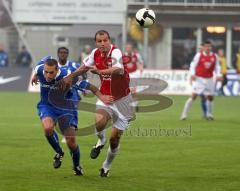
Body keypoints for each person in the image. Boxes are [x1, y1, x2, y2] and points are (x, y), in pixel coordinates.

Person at [59, 30, 135, 177]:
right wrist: (71, 76)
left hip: (123, 100)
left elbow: (119, 70)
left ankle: (106, 166)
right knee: (99, 123)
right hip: (105, 96)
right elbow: (84, 67)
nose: (102, 43)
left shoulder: (116, 52)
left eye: (105, 40)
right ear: (96, 42)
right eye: (99, 41)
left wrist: (99, 72)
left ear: (109, 41)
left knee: (115, 140)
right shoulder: (95, 53)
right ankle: (101, 141)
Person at [31, 58, 113, 176]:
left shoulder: (67, 77)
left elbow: (91, 87)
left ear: (57, 70)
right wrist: (34, 75)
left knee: (71, 142)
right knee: (48, 128)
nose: (47, 75)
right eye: (45, 72)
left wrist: (102, 97)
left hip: (66, 109)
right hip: (47, 105)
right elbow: (37, 66)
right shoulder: (40, 69)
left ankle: (76, 166)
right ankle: (59, 153)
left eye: (51, 72)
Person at [180, 40, 222, 120]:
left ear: (211, 47)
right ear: (203, 47)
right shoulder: (199, 55)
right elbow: (192, 65)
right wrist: (192, 74)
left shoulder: (214, 56)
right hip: (199, 79)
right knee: (193, 96)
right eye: (206, 46)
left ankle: (209, 114)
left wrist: (218, 75)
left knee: (210, 97)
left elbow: (217, 67)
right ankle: (184, 114)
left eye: (209, 46)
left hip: (209, 79)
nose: (208, 48)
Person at [123, 42, 144, 112]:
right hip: (126, 75)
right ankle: (131, 104)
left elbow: (141, 63)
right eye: (127, 48)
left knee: (133, 90)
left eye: (130, 48)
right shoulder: (123, 56)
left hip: (134, 74)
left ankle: (134, 104)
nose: (128, 49)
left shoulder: (136, 55)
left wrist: (141, 70)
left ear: (132, 49)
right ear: (126, 48)